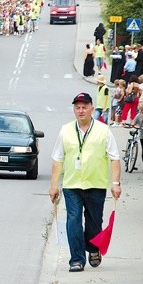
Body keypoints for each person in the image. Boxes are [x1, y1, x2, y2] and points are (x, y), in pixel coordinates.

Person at [49, 92, 121, 272]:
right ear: (74, 109)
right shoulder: (65, 130)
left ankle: (94, 248)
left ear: (91, 108)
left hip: (96, 184)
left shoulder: (103, 130)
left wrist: (116, 183)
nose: (80, 111)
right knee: (73, 220)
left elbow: (114, 157)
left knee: (94, 222)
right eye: (77, 107)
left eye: (84, 107)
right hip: (72, 185)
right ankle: (76, 259)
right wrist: (53, 185)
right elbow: (58, 158)